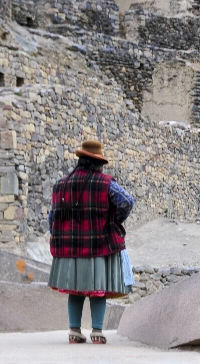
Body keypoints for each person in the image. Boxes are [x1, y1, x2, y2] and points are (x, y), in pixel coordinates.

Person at [47, 140, 134, 344]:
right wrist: (114, 220)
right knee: (97, 288)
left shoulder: (60, 185)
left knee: (74, 289)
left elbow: (53, 216)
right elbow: (127, 201)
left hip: (68, 246)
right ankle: (97, 331)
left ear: (80, 161)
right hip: (98, 244)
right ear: (98, 163)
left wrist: (58, 233)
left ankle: (74, 331)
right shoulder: (106, 184)